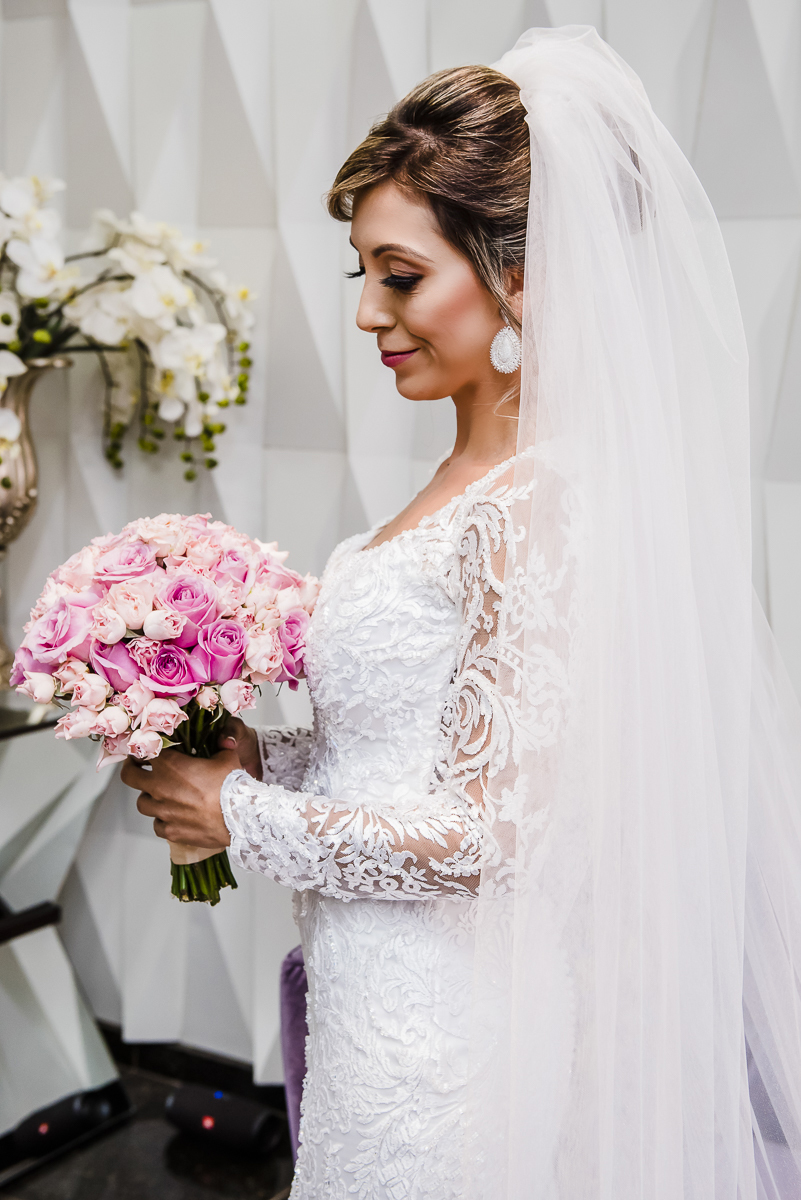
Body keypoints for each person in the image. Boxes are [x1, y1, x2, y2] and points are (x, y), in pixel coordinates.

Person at [122, 27, 801, 1200]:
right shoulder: (461, 490)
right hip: (376, 1012)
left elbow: (499, 837)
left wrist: (240, 812)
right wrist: (258, 759)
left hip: (457, 1046)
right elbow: (411, 759)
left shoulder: (543, 504)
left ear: (519, 277)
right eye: (364, 276)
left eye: (401, 274)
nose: (370, 314)